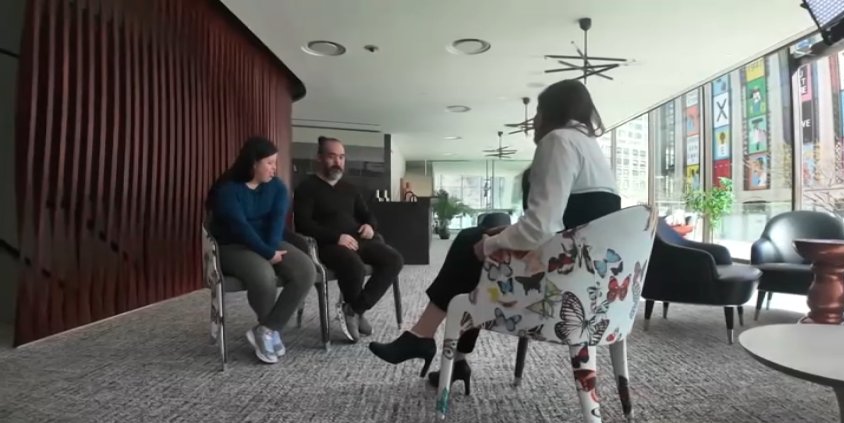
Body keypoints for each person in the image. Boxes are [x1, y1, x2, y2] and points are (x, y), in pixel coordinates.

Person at [368, 79, 621, 391]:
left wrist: (492, 244)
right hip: (591, 286)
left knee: (471, 244)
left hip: (556, 291)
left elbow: (541, 228)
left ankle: (423, 337)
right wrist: (505, 234)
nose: (534, 120)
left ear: (552, 111)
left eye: (538, 111)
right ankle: (451, 356)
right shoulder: (592, 150)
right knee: (475, 247)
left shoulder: (558, 141)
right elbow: (572, 224)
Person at [207, 136, 317, 364]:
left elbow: (277, 223)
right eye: (269, 163)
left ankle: (267, 328)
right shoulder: (228, 190)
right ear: (253, 163)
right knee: (264, 275)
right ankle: (267, 330)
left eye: (275, 162)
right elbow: (239, 228)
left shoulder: (277, 187)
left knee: (306, 270)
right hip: (232, 245)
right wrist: (267, 254)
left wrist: (271, 249)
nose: (274, 168)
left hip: (269, 241)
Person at [293, 136, 404, 343]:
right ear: (319, 158)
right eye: (332, 156)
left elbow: (368, 215)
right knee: (355, 266)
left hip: (357, 240)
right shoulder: (306, 188)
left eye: (341, 157)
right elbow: (303, 225)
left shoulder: (350, 188)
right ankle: (355, 311)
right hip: (327, 245)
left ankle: (354, 309)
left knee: (394, 260)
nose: (338, 162)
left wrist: (370, 226)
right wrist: (337, 237)